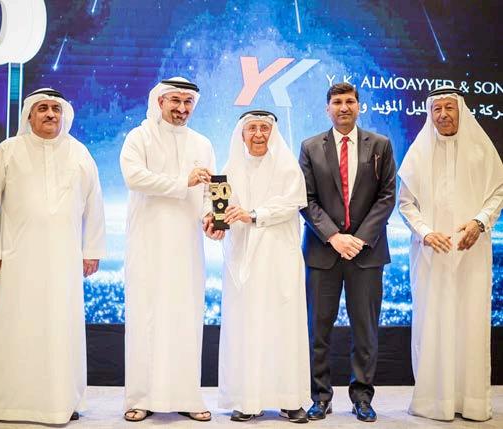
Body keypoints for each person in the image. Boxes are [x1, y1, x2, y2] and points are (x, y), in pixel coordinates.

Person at [0, 88, 106, 424]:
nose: (50, 114)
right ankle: (8, 405)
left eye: (55, 109)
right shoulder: (7, 151)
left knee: (61, 328)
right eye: (43, 108)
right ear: (29, 115)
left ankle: (62, 401)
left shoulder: (79, 153)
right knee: (16, 326)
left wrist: (92, 250)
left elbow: (94, 204)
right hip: (17, 259)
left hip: (65, 260)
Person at [398, 86, 503, 422]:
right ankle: (434, 401)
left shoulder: (481, 150)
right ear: (430, 114)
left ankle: (471, 401)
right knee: (433, 324)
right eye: (437, 109)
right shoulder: (419, 154)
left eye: (449, 108)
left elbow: (498, 191)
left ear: (460, 111)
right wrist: (426, 233)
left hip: (471, 252)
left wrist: (479, 222)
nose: (443, 115)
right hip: (432, 256)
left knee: (470, 323)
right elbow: (406, 204)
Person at [299, 83, 396, 422]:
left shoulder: (380, 145)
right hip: (323, 252)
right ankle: (320, 397)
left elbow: (387, 196)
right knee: (318, 330)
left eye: (350, 101)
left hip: (366, 254)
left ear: (359, 106)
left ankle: (362, 398)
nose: (344, 107)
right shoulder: (310, 147)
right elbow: (306, 199)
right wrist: (334, 237)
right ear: (327, 108)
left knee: (365, 331)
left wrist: (360, 239)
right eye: (337, 102)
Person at [120, 77, 215, 422]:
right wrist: (181, 182)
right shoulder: (139, 137)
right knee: (145, 318)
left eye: (188, 102)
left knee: (186, 318)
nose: (182, 108)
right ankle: (140, 398)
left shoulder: (202, 143)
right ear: (160, 102)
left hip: (187, 248)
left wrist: (211, 217)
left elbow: (209, 191)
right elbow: (134, 178)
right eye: (175, 100)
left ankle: (187, 396)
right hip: (148, 245)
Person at [206, 110, 310, 423]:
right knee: (246, 327)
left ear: (273, 133)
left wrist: (252, 215)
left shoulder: (287, 167)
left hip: (279, 260)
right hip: (243, 264)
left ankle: (290, 400)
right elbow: (218, 213)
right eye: (252, 128)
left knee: (284, 327)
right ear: (242, 134)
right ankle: (247, 400)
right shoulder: (228, 171)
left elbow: (290, 204)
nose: (259, 134)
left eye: (264, 128)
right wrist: (213, 224)